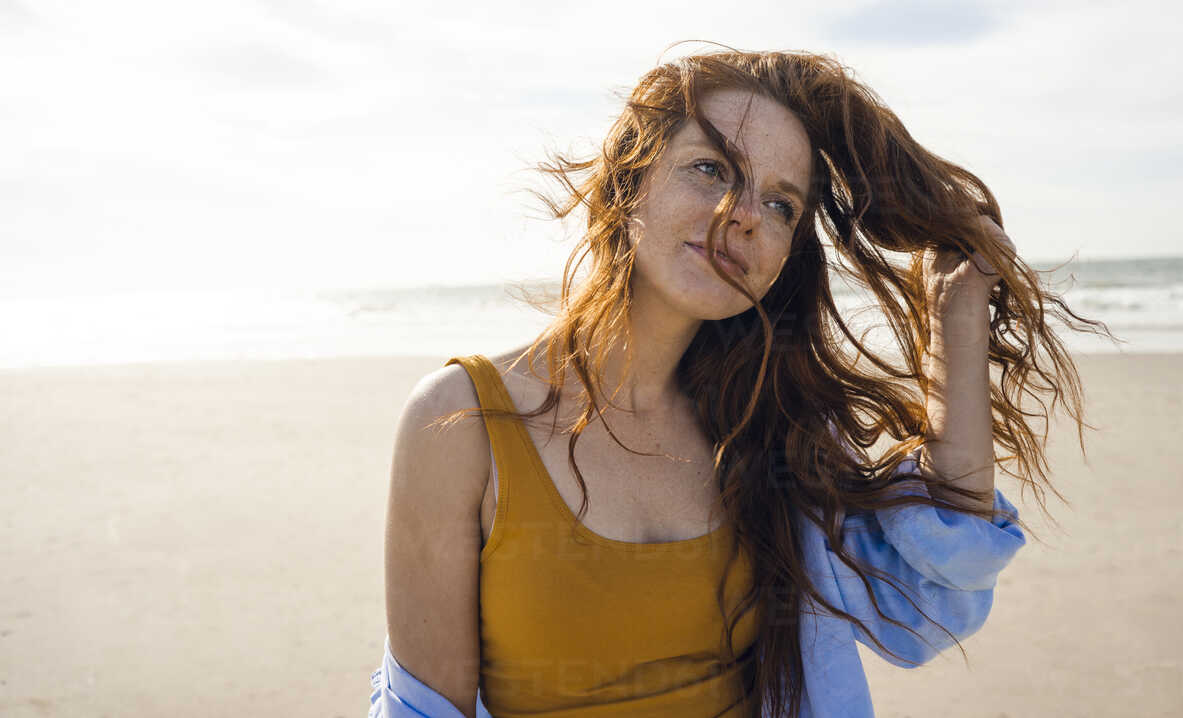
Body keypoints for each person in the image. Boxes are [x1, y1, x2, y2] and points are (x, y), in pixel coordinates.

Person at [368, 46, 1108, 718]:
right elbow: (423, 712)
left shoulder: (764, 426)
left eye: (782, 204)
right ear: (631, 183)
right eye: (711, 169)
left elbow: (937, 593)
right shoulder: (461, 423)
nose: (746, 215)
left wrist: (956, 317)